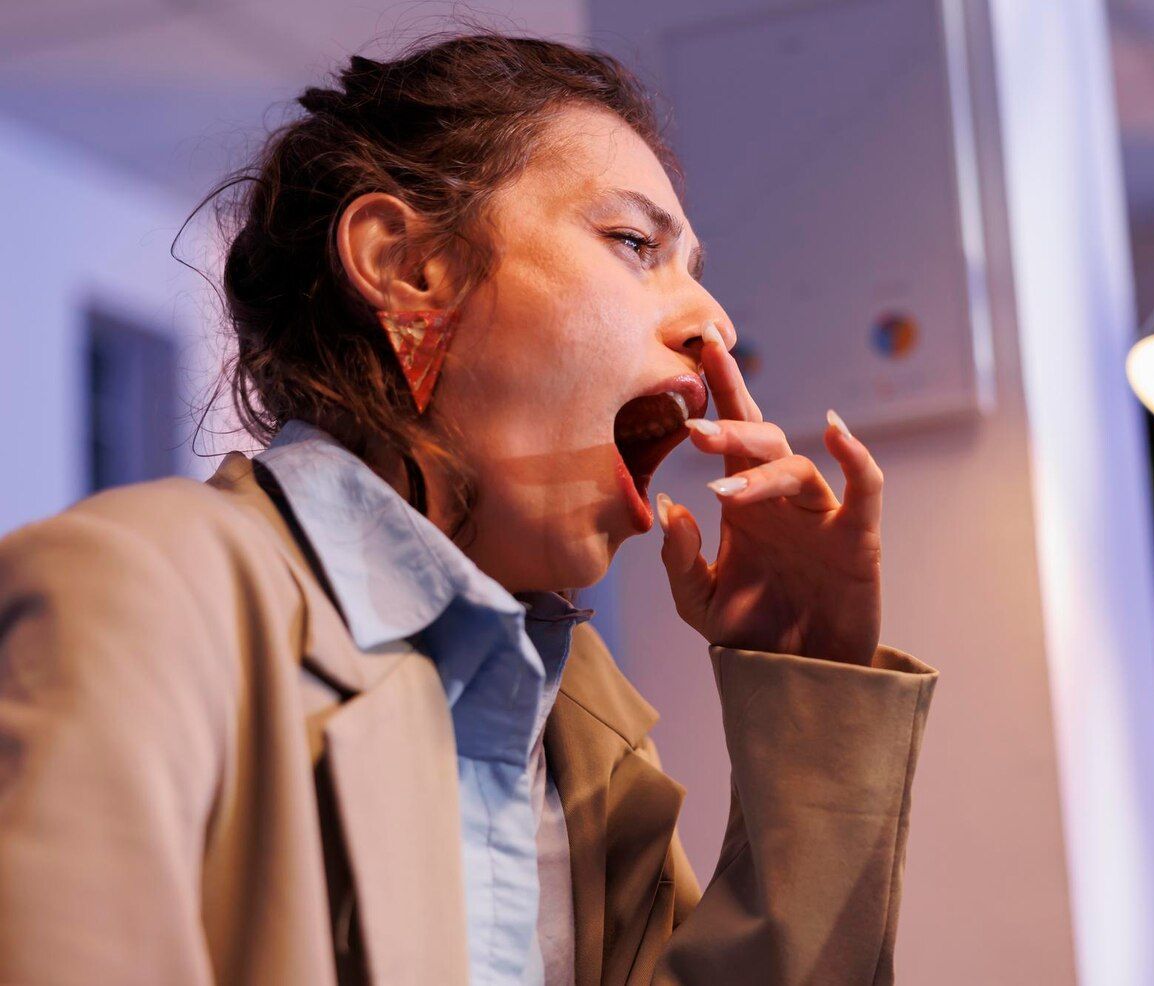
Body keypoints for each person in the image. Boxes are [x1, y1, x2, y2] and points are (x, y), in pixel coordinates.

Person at [0, 31, 937, 986]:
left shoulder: (584, 735)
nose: (716, 322)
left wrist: (811, 683)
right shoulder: (138, 599)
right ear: (408, 270)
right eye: (634, 243)